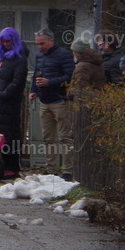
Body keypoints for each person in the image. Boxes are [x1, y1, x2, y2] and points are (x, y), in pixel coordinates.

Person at [29, 28, 76, 180]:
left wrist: (50, 82)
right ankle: (50, 167)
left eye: (42, 43)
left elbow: (70, 76)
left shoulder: (63, 55)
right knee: (48, 138)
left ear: (51, 41)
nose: (40, 47)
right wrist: (33, 90)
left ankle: (67, 170)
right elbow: (36, 74)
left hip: (60, 100)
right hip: (44, 100)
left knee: (64, 137)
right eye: (37, 44)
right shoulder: (39, 56)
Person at [0, 27, 29, 179]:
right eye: (2, 41)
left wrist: (4, 95)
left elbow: (18, 81)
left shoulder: (19, 59)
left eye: (8, 41)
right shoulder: (3, 59)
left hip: (7, 104)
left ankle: (12, 167)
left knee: (9, 135)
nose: (5, 43)